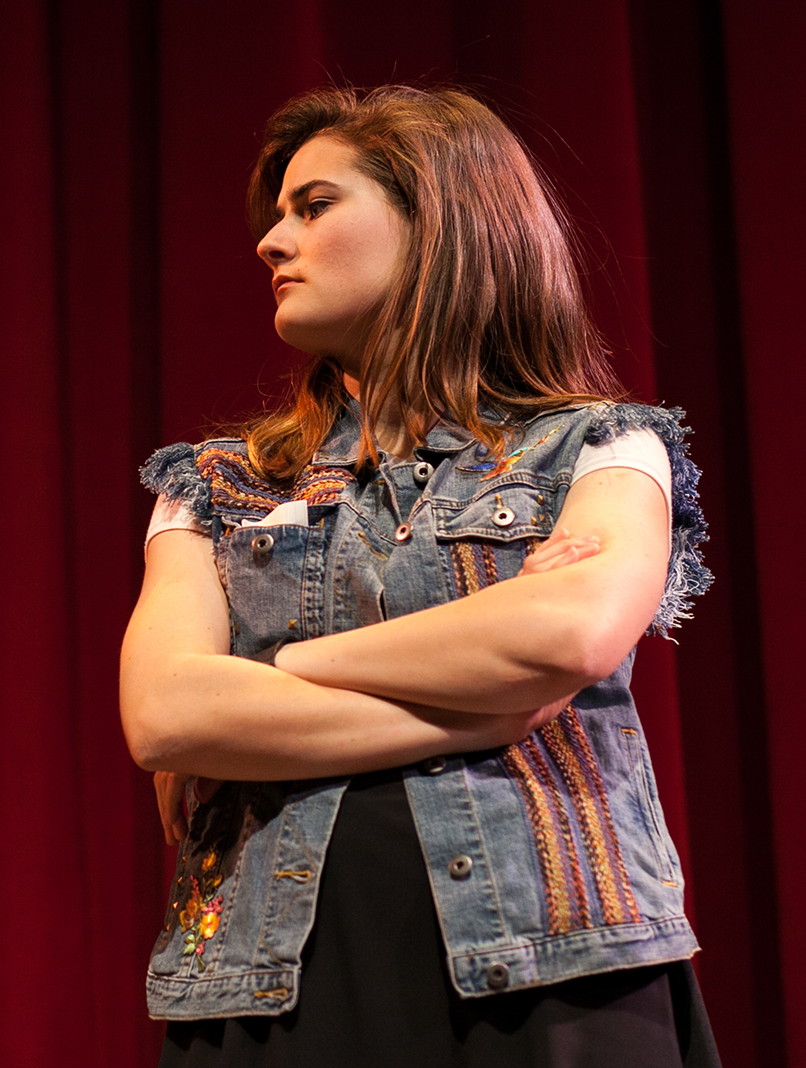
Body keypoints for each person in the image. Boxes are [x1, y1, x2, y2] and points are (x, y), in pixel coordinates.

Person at [119, 86, 719, 1067]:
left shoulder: (600, 448)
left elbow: (567, 635)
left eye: (313, 206)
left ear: (437, 222)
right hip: (275, 986)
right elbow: (167, 714)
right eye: (278, 215)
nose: (273, 241)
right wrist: (484, 704)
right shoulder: (216, 485)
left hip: (555, 981)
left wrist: (281, 675)